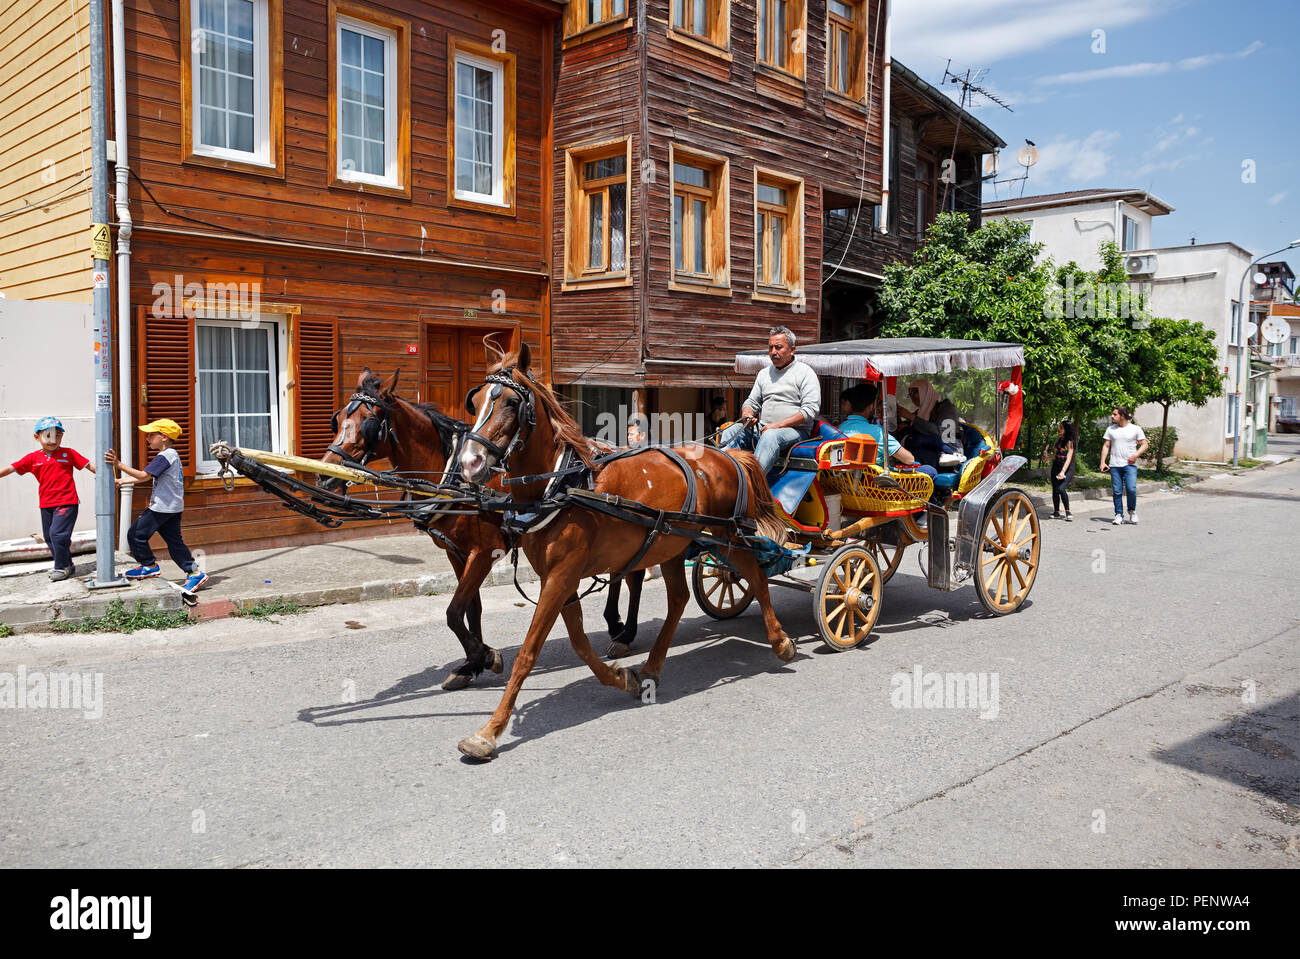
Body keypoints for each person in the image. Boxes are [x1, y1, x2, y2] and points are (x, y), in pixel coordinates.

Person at [105, 418, 207, 591]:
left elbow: (144, 475)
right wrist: (122, 482)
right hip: (172, 507)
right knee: (175, 544)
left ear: (164, 437)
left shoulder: (164, 456)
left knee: (135, 534)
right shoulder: (171, 455)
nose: (148, 438)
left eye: (152, 435)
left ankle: (149, 566)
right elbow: (148, 476)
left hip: (161, 508)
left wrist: (118, 464)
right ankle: (195, 573)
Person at [0, 416, 96, 581]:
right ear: (37, 437)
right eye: (48, 435)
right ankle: (67, 564)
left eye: (58, 435)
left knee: (58, 534)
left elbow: (90, 466)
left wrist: (110, 478)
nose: (53, 439)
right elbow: (11, 468)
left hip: (67, 501)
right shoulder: (32, 458)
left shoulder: (69, 453)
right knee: (50, 537)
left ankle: (60, 567)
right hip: (46, 503)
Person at [718, 325, 821, 474]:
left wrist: (777, 425)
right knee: (731, 430)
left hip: (795, 431)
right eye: (770, 348)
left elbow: (810, 410)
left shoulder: (805, 373)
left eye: (778, 347)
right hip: (764, 428)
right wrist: (747, 414)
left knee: (770, 436)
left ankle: (753, 482)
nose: (773, 352)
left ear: (792, 350)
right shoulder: (764, 374)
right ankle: (726, 475)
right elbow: (751, 402)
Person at [1100, 405, 1149, 526]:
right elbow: (1106, 446)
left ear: (1122, 416)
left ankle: (1132, 511)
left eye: (1114, 414)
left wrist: (1136, 455)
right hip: (1115, 465)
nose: (1112, 416)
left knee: (1131, 489)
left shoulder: (1135, 429)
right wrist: (1102, 462)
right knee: (1117, 491)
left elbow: (1144, 444)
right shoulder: (1111, 429)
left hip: (1130, 465)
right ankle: (1118, 515)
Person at [898, 379, 963, 470]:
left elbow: (943, 435)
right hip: (928, 453)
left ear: (926, 390)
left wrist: (911, 417)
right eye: (910, 394)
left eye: (915, 392)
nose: (912, 397)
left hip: (951, 454)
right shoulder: (921, 412)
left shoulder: (946, 408)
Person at [1043, 420, 1076, 521]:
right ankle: (1056, 511)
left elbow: (1069, 457)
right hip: (1056, 466)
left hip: (1066, 468)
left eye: (1061, 427)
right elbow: (1056, 454)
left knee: (1061, 489)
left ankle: (1068, 511)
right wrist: (1047, 457)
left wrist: (1062, 471)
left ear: (1066, 429)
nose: (1059, 429)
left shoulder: (1070, 442)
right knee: (1055, 489)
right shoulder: (1060, 439)